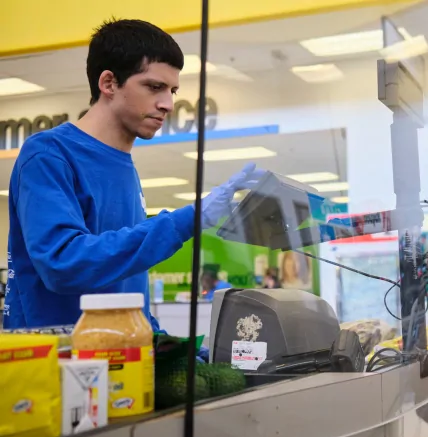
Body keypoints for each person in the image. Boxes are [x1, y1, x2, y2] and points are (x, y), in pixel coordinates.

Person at [4, 19, 263, 331]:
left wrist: (160, 341)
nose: (168, 104)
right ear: (109, 83)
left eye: (173, 90)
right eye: (154, 87)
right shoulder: (47, 155)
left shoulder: (124, 166)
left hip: (122, 357)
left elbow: (126, 286)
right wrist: (186, 220)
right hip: (58, 364)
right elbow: (63, 264)